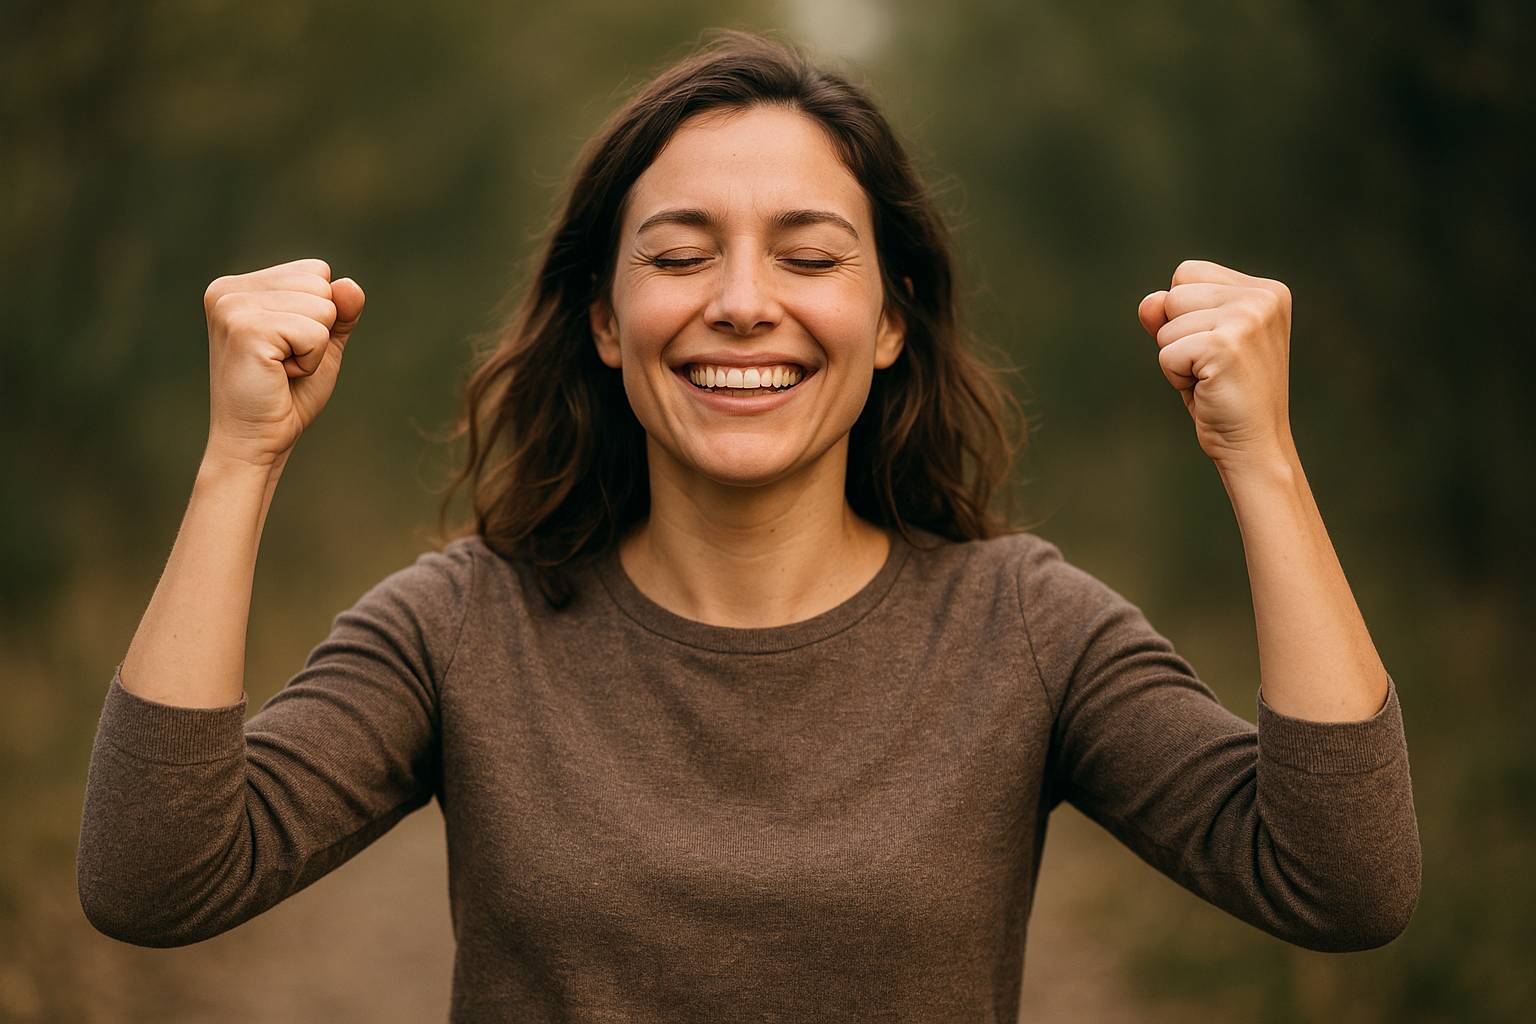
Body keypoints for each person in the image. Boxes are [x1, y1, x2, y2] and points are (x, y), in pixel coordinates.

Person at [76, 28, 1420, 1023]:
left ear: (889, 320)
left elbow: (1343, 883)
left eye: (810, 255)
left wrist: (1261, 457)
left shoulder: (1023, 625)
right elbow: (154, 878)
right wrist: (240, 458)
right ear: (606, 322)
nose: (739, 302)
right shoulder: (463, 624)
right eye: (677, 255)